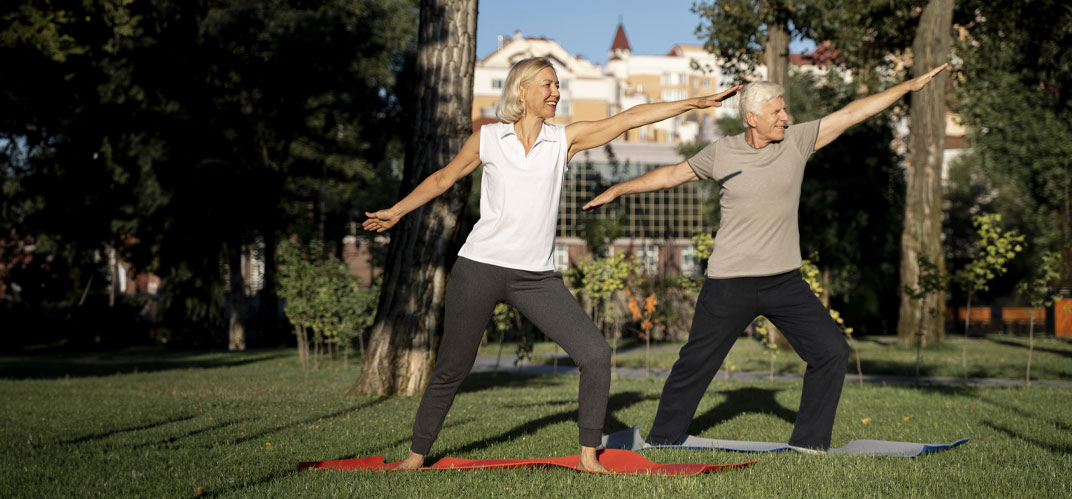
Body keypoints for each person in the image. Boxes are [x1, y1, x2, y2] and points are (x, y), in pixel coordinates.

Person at [364, 56, 741, 471]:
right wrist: (397, 211)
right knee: (454, 365)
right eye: (547, 84)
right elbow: (442, 180)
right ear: (521, 90)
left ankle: (587, 455)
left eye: (558, 86)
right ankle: (416, 456)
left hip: (536, 277)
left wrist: (694, 103)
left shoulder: (564, 140)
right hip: (479, 266)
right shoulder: (488, 139)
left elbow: (630, 117)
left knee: (595, 353)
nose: (555, 93)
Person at [583, 64, 950, 452]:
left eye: (785, 110)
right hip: (728, 281)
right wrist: (619, 189)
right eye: (777, 112)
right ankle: (662, 439)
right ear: (751, 118)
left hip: (783, 281)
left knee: (831, 350)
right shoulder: (722, 152)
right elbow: (673, 174)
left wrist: (907, 86)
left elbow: (852, 113)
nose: (786, 118)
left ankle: (809, 443)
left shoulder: (797, 141)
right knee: (695, 363)